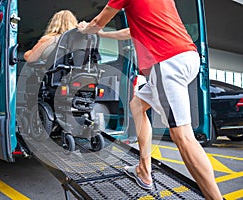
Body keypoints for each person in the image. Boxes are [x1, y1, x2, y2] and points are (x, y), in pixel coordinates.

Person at [77, 1, 223, 199]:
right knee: (137, 105)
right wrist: (102, 34)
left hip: (166, 61)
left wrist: (86, 29)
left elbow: (96, 22)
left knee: (183, 136)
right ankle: (144, 171)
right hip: (187, 56)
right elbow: (130, 32)